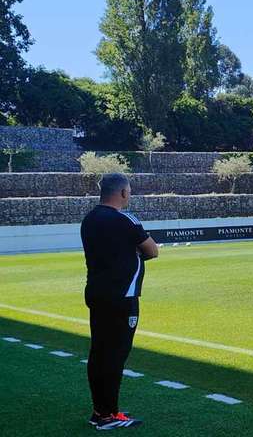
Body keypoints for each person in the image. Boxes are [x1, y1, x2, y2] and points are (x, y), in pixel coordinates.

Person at [81, 173, 158, 429]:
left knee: (99, 353)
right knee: (115, 356)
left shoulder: (90, 219)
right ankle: (109, 415)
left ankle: (99, 411)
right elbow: (152, 250)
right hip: (122, 297)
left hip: (97, 294)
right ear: (123, 193)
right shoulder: (125, 219)